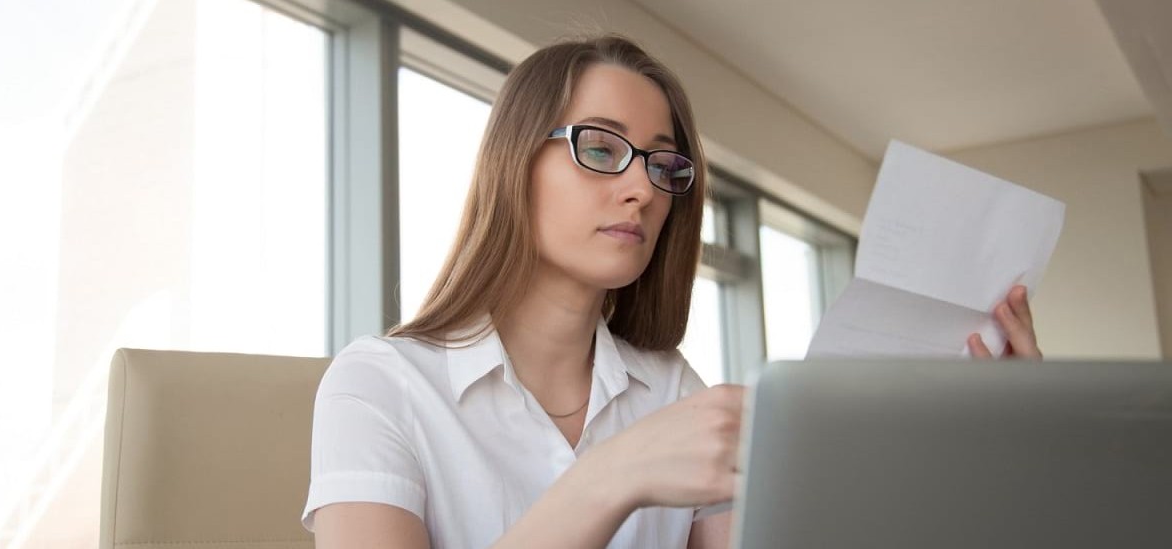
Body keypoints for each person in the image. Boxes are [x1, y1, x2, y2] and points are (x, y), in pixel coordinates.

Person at [301, 35, 1042, 549]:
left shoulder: (671, 392)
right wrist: (614, 473)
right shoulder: (380, 385)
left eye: (664, 165)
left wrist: (977, 445)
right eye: (600, 146)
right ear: (512, 163)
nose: (642, 188)